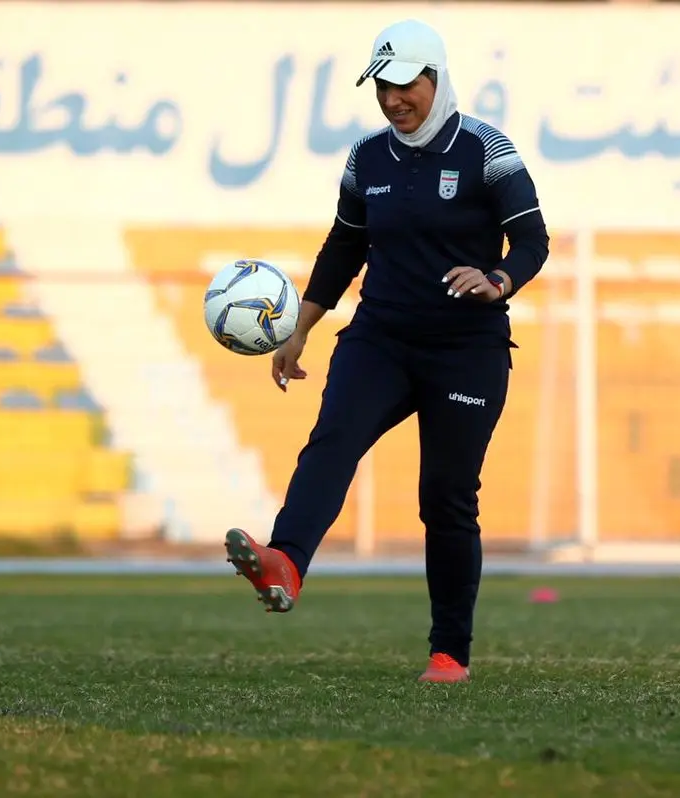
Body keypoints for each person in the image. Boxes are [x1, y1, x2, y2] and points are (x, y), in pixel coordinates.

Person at [224, 17, 550, 683]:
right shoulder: (365, 158)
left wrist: (498, 280)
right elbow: (344, 249)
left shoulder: (488, 150)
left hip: (467, 350)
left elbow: (534, 241)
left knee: (446, 497)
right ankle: (285, 562)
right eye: (383, 87)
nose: (394, 99)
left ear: (436, 78)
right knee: (332, 439)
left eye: (406, 85)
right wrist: (303, 327)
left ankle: (449, 652)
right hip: (381, 339)